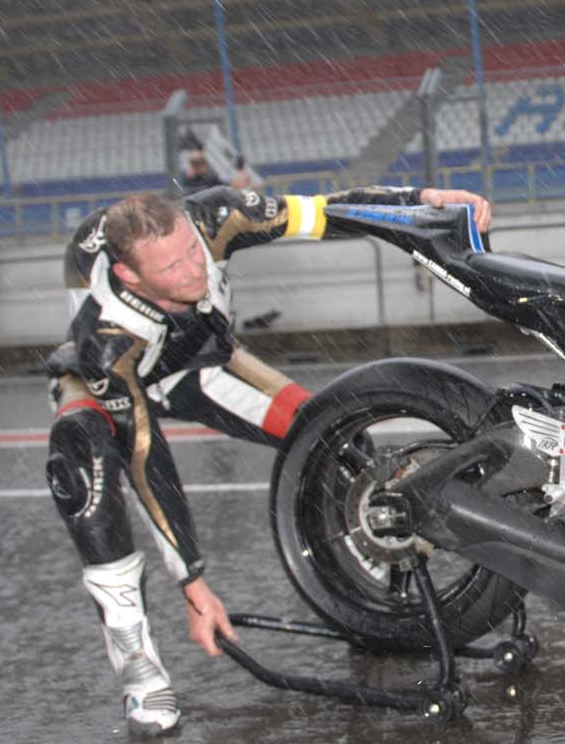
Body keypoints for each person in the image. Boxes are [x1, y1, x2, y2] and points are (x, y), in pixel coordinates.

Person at [46, 182, 491, 735]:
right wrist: (193, 583)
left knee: (341, 436)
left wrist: (424, 201)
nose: (195, 270)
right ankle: (140, 673)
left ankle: (355, 579)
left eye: (193, 250)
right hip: (107, 381)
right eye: (174, 267)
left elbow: (330, 211)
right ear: (129, 277)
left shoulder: (216, 216)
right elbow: (147, 464)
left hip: (198, 360)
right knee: (85, 480)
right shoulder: (106, 338)